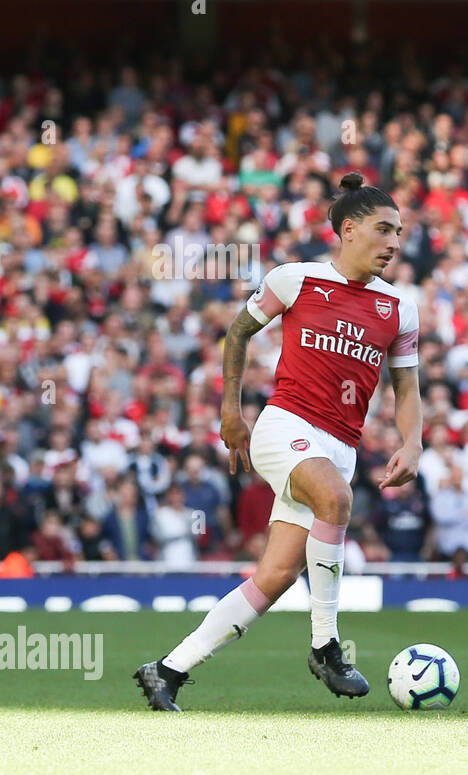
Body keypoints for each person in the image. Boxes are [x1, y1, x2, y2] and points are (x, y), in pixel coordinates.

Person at [134, 173, 422, 711]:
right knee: (335, 499)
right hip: (284, 425)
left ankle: (168, 670)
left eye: (400, 233)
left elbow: (406, 385)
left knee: (276, 576)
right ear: (350, 229)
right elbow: (238, 331)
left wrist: (415, 440)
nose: (394, 243)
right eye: (384, 230)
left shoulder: (399, 308)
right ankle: (325, 645)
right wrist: (231, 411)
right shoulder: (296, 279)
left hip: (341, 445)